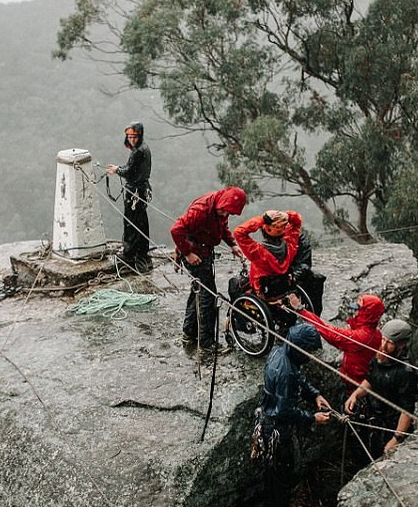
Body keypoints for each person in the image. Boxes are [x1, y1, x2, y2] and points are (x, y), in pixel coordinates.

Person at [251, 323, 333, 507]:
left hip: (267, 425)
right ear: (300, 349)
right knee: (281, 481)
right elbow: (284, 410)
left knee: (273, 478)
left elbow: (298, 378)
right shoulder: (285, 371)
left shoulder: (280, 351)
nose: (310, 356)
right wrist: (312, 417)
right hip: (277, 431)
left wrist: (314, 394)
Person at [170, 186, 247, 354]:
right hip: (194, 253)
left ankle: (189, 333)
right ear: (222, 203)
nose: (226, 215)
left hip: (204, 251)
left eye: (229, 213)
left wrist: (233, 244)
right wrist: (188, 253)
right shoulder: (200, 210)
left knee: (198, 291)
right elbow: (176, 230)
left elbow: (222, 227)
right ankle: (206, 344)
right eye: (224, 211)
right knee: (208, 298)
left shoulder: (220, 208)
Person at [343, 319, 418, 459]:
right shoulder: (380, 358)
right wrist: (356, 395)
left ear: (401, 346)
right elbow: (371, 380)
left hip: (394, 426)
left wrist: (396, 439)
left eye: (389, 343)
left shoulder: (406, 373)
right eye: (383, 340)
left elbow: (407, 409)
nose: (383, 345)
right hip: (376, 421)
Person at [286, 293, 385, 398]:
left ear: (367, 314)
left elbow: (327, 331)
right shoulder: (376, 333)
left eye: (358, 309)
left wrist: (300, 309)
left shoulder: (359, 337)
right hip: (362, 380)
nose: (355, 312)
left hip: (355, 388)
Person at [107, 122, 152, 272]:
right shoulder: (143, 148)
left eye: (134, 136)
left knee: (131, 223)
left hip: (135, 192)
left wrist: (117, 170)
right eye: (129, 137)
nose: (132, 139)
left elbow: (130, 171)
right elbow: (132, 168)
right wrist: (119, 169)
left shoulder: (138, 151)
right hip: (140, 191)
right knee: (141, 222)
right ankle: (141, 253)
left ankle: (130, 254)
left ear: (139, 135)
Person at [232, 210, 303, 299]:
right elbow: (297, 222)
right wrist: (285, 215)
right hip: (283, 288)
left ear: (265, 229)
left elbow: (239, 232)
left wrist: (262, 219)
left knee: (234, 283)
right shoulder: (290, 246)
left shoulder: (257, 251)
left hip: (263, 293)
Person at [289, 229, 326, 316]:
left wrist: (294, 276)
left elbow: (304, 264)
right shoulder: (271, 241)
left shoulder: (299, 238)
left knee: (316, 280)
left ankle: (314, 317)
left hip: (295, 273)